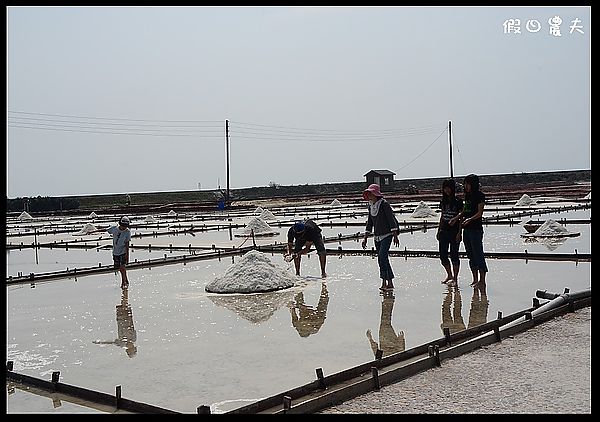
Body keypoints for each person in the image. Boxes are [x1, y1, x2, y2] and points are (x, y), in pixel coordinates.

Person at [361, 184, 399, 291]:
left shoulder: (384, 204)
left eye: (371, 193)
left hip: (387, 235)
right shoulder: (371, 206)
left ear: (375, 194)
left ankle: (385, 282)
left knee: (382, 257)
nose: (369, 196)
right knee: (383, 259)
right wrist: (365, 237)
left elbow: (391, 219)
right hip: (377, 237)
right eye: (368, 194)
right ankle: (388, 282)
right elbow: (370, 223)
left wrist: (395, 235)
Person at [459, 174, 488, 287]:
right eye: (465, 184)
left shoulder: (480, 196)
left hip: (475, 229)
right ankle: (475, 279)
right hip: (467, 229)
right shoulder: (467, 196)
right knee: (470, 254)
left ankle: (482, 280)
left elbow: (479, 213)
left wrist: (469, 219)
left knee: (478, 253)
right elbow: (465, 211)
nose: (465, 186)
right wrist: (458, 218)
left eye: (467, 184)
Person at [93, 287, 137, 357]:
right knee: (125, 303)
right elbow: (132, 326)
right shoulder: (133, 339)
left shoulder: (122, 343)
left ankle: (124, 290)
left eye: (132, 348)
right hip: (128, 318)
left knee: (124, 303)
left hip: (121, 319)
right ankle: (124, 290)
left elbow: (112, 342)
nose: (132, 346)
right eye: (133, 348)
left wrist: (100, 342)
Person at [436, 178, 463, 284]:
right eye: (445, 188)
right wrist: (438, 230)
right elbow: (442, 216)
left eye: (448, 188)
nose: (447, 190)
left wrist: (459, 233)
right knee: (443, 255)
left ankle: (455, 278)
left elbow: (461, 217)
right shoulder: (443, 201)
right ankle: (449, 274)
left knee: (454, 255)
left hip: (454, 231)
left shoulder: (458, 201)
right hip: (444, 231)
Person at [366, 290, 405, 358]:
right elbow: (401, 350)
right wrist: (401, 340)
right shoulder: (389, 357)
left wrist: (370, 339)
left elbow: (376, 350)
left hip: (388, 342)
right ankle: (388, 300)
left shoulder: (386, 358)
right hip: (388, 341)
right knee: (385, 323)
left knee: (385, 322)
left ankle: (388, 300)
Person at [108, 216, 132, 288]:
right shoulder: (114, 229)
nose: (124, 228)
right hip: (115, 252)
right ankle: (126, 279)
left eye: (125, 226)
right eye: (122, 226)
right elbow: (105, 230)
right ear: (120, 224)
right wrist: (93, 231)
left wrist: (127, 255)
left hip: (123, 251)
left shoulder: (127, 232)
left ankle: (123, 282)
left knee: (122, 267)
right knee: (120, 268)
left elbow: (127, 244)